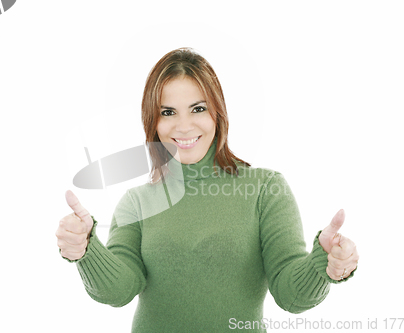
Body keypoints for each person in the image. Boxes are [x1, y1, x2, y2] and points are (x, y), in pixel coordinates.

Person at [55, 47, 359, 332]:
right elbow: (118, 292)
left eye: (197, 109)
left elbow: (291, 296)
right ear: (153, 122)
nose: (184, 126)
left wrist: (323, 263)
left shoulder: (265, 189)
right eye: (168, 112)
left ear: (217, 112)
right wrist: (86, 250)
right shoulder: (137, 201)